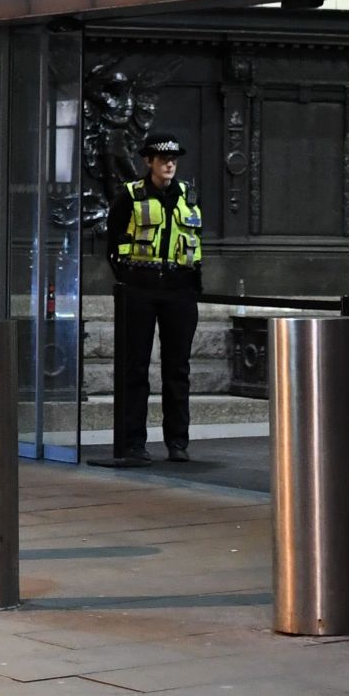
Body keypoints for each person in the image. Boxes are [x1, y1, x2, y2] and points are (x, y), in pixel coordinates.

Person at [98, 135, 203, 467]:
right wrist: (128, 280)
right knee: (135, 368)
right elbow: (112, 242)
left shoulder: (189, 195)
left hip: (179, 291)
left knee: (178, 369)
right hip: (139, 290)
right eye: (161, 158)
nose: (169, 164)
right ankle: (133, 442)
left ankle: (177, 442)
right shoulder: (130, 196)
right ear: (148, 162)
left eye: (173, 159)